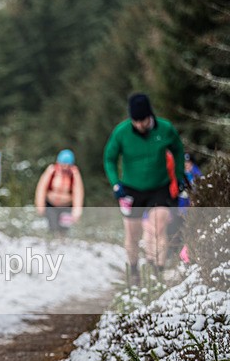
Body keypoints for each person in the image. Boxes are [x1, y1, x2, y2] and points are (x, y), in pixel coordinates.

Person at [104, 93, 185, 285]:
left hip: (160, 187)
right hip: (131, 189)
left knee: (159, 228)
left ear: (150, 116)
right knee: (133, 234)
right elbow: (109, 158)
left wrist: (179, 176)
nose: (139, 125)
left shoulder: (165, 129)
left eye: (143, 120)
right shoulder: (121, 132)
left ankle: (158, 272)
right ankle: (133, 270)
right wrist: (116, 183)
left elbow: (178, 150)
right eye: (135, 121)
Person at [34, 149, 84, 236]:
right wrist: (40, 206)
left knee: (64, 229)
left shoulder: (74, 174)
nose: (65, 166)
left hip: (67, 206)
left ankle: (62, 246)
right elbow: (41, 188)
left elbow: (78, 194)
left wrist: (77, 212)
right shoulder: (51, 171)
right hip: (51, 205)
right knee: (53, 227)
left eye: (67, 164)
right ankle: (52, 245)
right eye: (63, 163)